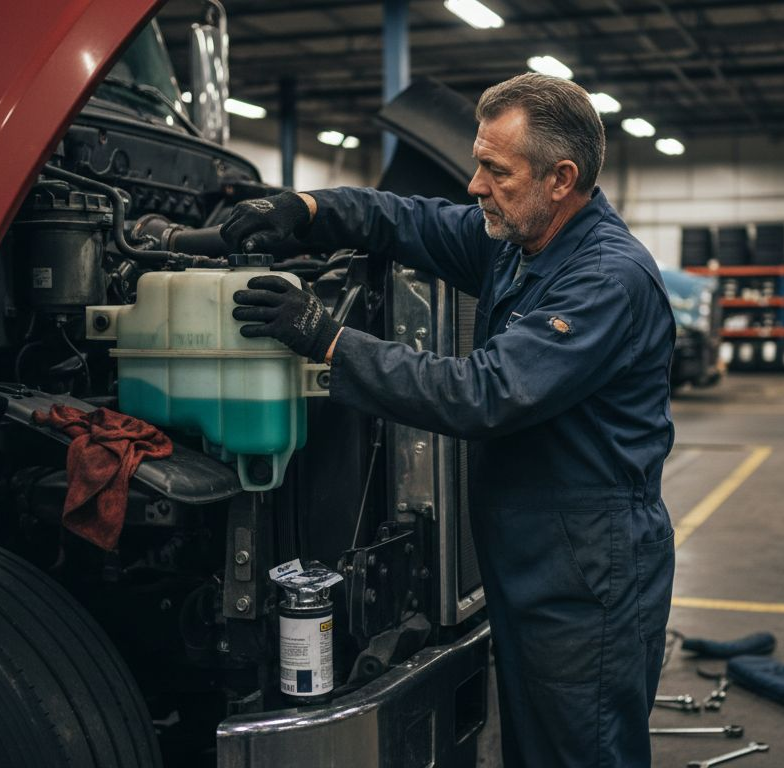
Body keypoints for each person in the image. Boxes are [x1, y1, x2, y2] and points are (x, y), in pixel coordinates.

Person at [220, 73, 675, 767]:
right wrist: (306, 208)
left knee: (583, 752)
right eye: (478, 164)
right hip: (536, 561)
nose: (474, 186)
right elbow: (404, 219)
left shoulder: (605, 279)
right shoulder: (520, 242)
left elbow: (482, 394)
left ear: (560, 179)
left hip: (588, 573)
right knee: (537, 749)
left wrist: (327, 338)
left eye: (497, 171)